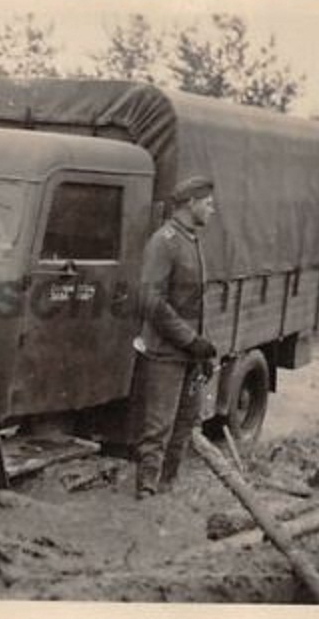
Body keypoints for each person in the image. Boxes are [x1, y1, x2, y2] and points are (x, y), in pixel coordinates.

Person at [133, 175, 217, 500]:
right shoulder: (164, 242)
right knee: (158, 429)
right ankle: (146, 494)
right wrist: (189, 341)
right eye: (208, 203)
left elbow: (196, 304)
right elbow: (151, 301)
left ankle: (167, 488)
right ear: (191, 203)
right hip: (165, 353)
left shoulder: (192, 241)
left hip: (188, 354)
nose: (212, 209)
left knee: (185, 425)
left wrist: (204, 350)